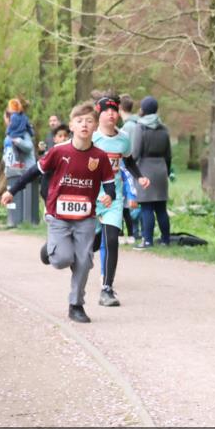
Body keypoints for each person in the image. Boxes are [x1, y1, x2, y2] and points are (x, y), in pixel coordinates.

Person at [1, 103, 116, 323]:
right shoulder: (59, 151)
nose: (84, 124)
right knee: (63, 259)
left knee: (84, 261)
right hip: (58, 216)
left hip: (86, 217)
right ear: (72, 125)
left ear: (95, 127)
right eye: (80, 121)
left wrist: (109, 195)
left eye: (89, 121)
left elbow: (110, 185)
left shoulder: (100, 157)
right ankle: (51, 250)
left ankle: (76, 305)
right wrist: (12, 191)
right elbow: (33, 171)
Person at [90, 94, 148, 307]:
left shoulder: (123, 138)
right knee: (83, 242)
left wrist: (139, 176)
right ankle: (55, 249)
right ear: (100, 114)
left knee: (112, 239)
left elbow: (129, 160)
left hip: (113, 198)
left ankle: (107, 288)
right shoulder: (92, 139)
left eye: (115, 110)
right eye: (107, 110)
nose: (112, 114)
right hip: (90, 196)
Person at [131, 95, 172, 248]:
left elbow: (135, 152)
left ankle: (147, 240)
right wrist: (166, 170)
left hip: (145, 168)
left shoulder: (140, 127)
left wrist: (131, 168)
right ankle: (165, 239)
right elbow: (169, 154)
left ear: (143, 109)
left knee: (147, 207)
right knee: (161, 208)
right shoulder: (163, 128)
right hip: (161, 168)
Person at [2, 103, 39, 227]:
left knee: (28, 200)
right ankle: (13, 221)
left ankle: (29, 223)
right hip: (13, 170)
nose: (7, 122)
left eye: (8, 119)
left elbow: (28, 147)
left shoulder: (23, 133)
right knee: (14, 198)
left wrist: (16, 141)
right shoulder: (10, 134)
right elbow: (7, 151)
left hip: (27, 169)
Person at [40, 123, 70, 203]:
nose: (63, 138)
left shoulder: (73, 155)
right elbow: (45, 183)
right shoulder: (51, 155)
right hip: (51, 199)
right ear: (54, 139)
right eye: (60, 136)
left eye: (66, 136)